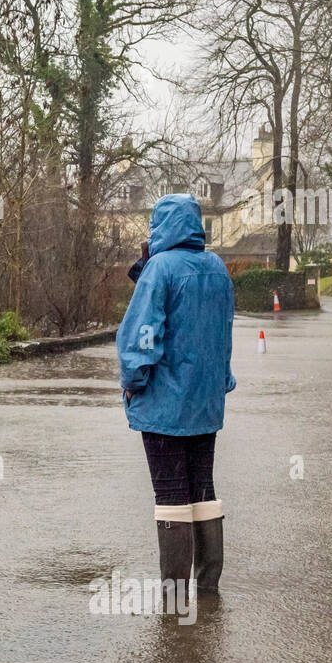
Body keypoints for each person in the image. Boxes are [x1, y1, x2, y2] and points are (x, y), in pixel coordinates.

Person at [117, 193, 236, 599]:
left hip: (166, 404)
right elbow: (222, 335)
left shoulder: (160, 269)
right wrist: (221, 382)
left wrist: (133, 382)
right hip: (206, 403)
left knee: (170, 494)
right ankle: (207, 585)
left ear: (158, 226)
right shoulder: (218, 268)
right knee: (202, 487)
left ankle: (173, 592)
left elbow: (139, 337)